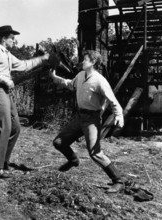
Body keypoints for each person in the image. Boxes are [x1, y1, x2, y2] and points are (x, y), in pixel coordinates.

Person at [0, 25, 54, 178]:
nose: (14, 41)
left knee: (15, 128)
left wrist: (41, 59)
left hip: (5, 90)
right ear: (4, 39)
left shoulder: (7, 53)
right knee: (5, 127)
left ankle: (4, 163)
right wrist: (4, 80)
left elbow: (22, 65)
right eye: (12, 38)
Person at [50, 50, 125, 193]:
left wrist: (119, 115)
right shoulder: (80, 75)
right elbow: (70, 84)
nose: (82, 61)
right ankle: (73, 160)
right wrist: (55, 77)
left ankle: (118, 181)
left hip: (92, 120)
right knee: (58, 142)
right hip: (79, 117)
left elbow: (112, 99)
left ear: (93, 63)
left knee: (94, 152)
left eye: (85, 59)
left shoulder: (99, 80)